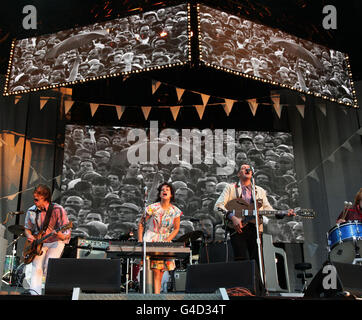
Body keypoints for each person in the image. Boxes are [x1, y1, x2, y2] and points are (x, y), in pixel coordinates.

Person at [214, 164, 294, 293]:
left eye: (249, 168)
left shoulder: (259, 190)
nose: (247, 169)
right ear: (239, 174)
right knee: (241, 258)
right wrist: (232, 217)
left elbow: (267, 209)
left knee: (257, 260)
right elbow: (218, 206)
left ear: (252, 173)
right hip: (238, 228)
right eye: (243, 168)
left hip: (256, 229)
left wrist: (283, 213)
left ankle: (258, 290)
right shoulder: (230, 188)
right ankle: (242, 290)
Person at [24, 184, 71, 295]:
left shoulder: (58, 209)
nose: (34, 200)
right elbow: (27, 228)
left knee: (49, 265)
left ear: (45, 198)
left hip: (56, 242)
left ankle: (51, 294)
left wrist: (61, 236)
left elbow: (67, 230)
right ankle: (35, 294)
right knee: (36, 267)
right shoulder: (31, 210)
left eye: (37, 198)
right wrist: (29, 236)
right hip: (40, 242)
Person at [137, 182, 181, 294]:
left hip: (165, 239)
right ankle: (155, 295)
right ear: (160, 193)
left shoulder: (175, 211)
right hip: (152, 237)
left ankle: (157, 294)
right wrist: (140, 240)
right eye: (162, 190)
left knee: (161, 270)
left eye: (167, 189)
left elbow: (176, 228)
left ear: (171, 194)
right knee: (155, 269)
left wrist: (167, 239)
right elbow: (141, 224)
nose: (164, 191)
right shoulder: (152, 208)